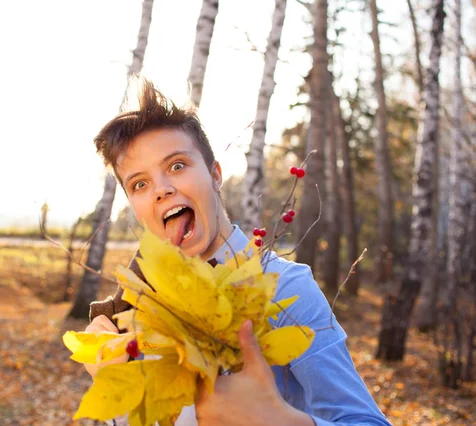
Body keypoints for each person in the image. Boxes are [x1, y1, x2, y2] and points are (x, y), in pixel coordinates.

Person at [82, 76, 391, 426]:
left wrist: (281, 421)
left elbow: (367, 421)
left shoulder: (285, 288)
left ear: (215, 174)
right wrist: (114, 385)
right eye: (140, 183)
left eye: (177, 166)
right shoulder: (136, 311)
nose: (162, 189)